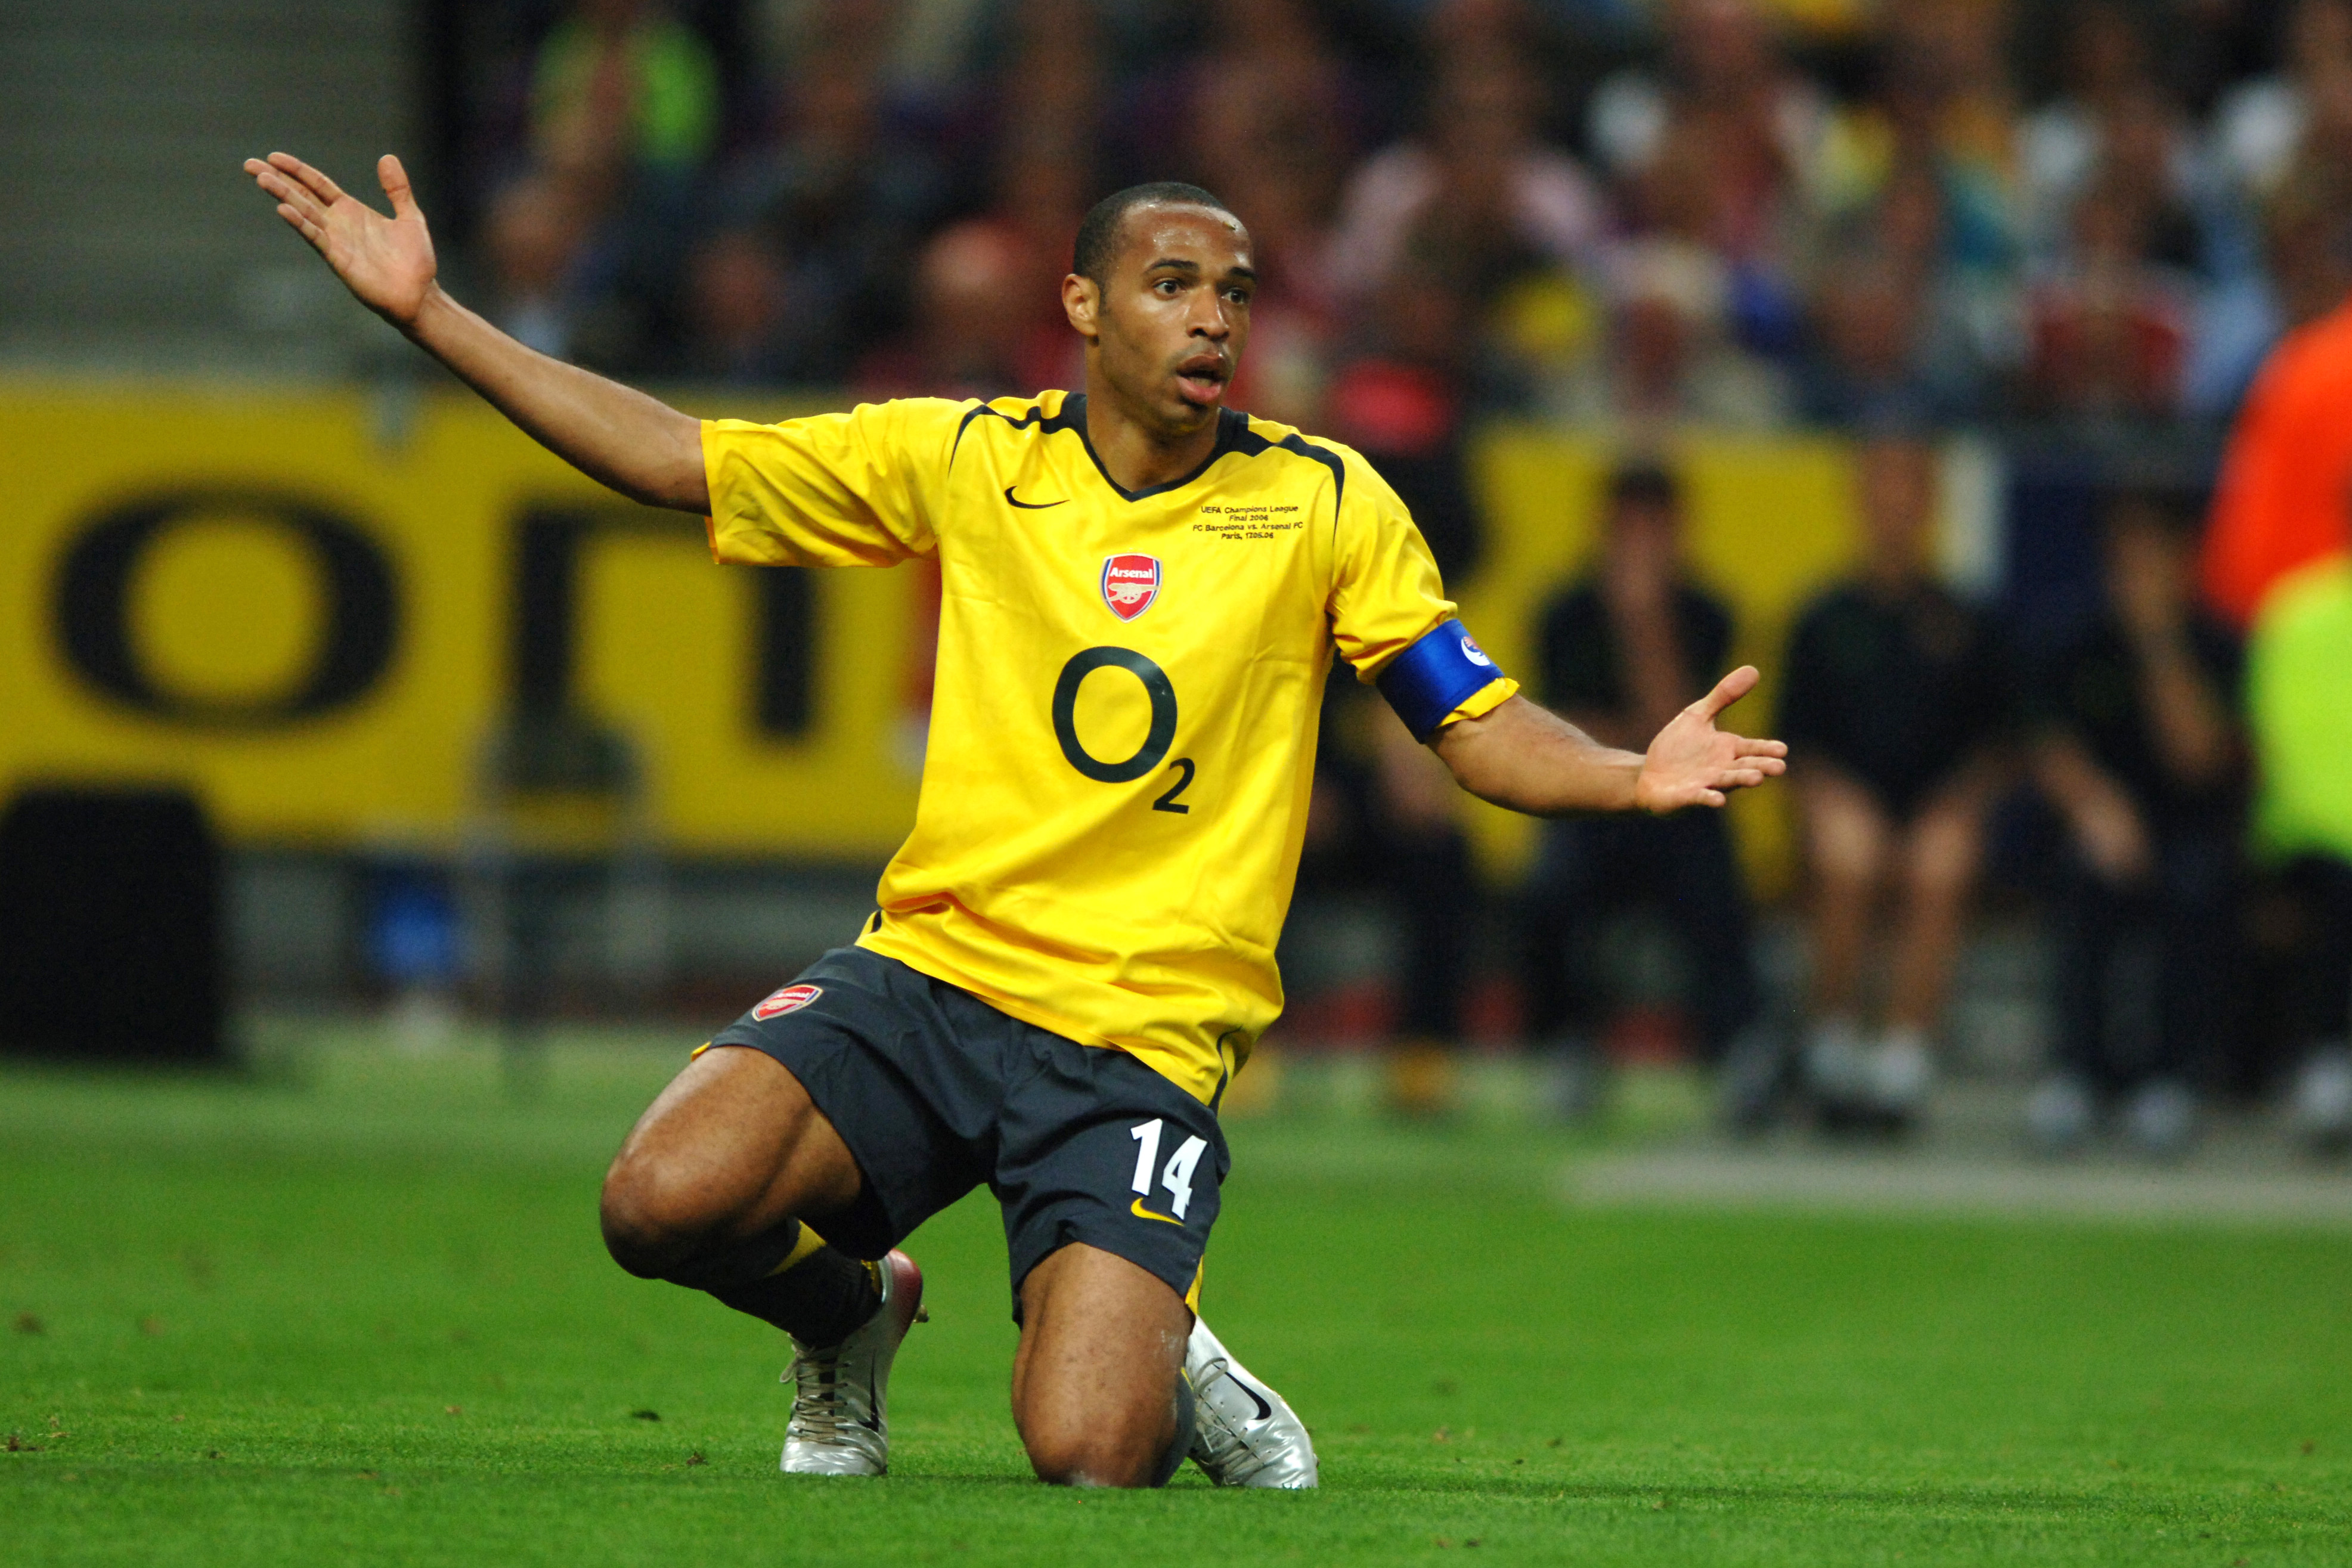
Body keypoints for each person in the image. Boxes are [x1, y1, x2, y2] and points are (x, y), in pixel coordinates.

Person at [243, 152, 1786, 1488]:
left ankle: (1163, 1336)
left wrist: (1626, 772)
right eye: (1173, 285)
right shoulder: (971, 458)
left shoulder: (1325, 501)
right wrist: (433, 316)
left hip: (1141, 1032)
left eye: (1236, 293)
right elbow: (673, 458)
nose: (1214, 318)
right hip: (936, 975)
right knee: (658, 1201)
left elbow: (1474, 724)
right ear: (1084, 308)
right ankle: (852, 1313)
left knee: (1085, 1452)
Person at [1517, 461, 1765, 1120]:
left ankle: (1737, 1050)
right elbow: (1559, 732)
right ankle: (1568, 1046)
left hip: (1681, 812)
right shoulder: (1563, 612)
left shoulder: (1706, 614)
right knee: (1551, 892)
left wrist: (1642, 623)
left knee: (1717, 891)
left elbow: (1681, 725)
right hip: (1589, 805)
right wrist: (1640, 747)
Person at [1777, 435, 2005, 1130]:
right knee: (1849, 854)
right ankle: (1833, 1037)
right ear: (1860, 500)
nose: (1896, 504)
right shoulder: (1822, 617)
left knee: (1942, 859)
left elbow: (2000, 742)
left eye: (1910, 487)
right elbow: (1794, 742)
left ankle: (1904, 1055)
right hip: (1843, 801)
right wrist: (1830, 800)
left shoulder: (1967, 619)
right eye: (1884, 486)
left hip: (1938, 803)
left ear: (1929, 503)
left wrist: (1959, 804)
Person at [2023, 489, 2245, 1158]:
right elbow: (2046, 743)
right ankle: (2077, 1072)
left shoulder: (2217, 644)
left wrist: (2158, 643)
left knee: (2194, 887)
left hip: (2191, 830)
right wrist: (2094, 806)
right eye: (2124, 552)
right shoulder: (2072, 637)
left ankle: (2170, 1078)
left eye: (2153, 552)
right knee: (2085, 876)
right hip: (2100, 829)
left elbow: (2198, 759)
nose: (2136, 569)